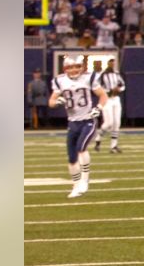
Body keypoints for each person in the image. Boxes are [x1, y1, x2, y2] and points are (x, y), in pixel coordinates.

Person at [49, 55, 108, 198]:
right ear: (65, 69)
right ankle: (75, 186)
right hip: (72, 122)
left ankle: (85, 180)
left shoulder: (89, 78)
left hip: (88, 119)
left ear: (82, 67)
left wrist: (98, 108)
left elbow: (103, 96)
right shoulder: (59, 81)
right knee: (71, 158)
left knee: (81, 148)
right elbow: (51, 101)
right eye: (71, 67)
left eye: (77, 66)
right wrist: (57, 102)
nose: (74, 70)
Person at [92, 59, 127, 153]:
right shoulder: (101, 75)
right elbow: (96, 87)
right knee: (109, 123)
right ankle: (98, 138)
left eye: (113, 62)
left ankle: (113, 146)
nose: (112, 64)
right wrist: (108, 91)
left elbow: (123, 85)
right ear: (107, 64)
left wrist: (119, 89)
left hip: (116, 99)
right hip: (106, 99)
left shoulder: (116, 73)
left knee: (117, 123)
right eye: (110, 62)